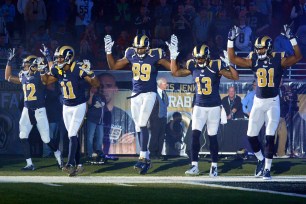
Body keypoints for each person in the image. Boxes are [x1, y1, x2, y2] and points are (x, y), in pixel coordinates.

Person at [227, 24, 302, 180]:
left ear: (268, 48)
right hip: (258, 102)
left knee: (269, 135)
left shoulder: (278, 59)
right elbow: (233, 58)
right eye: (257, 48)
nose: (259, 51)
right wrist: (230, 41)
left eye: (261, 49)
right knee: (251, 135)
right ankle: (261, 159)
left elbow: (298, 57)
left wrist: (293, 39)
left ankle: (267, 168)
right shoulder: (254, 59)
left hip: (273, 102)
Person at [167, 34, 239, 177]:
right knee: (194, 136)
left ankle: (214, 166)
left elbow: (235, 77)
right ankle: (194, 166)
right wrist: (173, 56)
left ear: (206, 56)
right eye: (197, 58)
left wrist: (230, 64)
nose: (199, 60)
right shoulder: (192, 65)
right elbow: (174, 72)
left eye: (201, 58)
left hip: (213, 107)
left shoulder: (215, 65)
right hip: (199, 106)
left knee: (212, 137)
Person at [104, 33, 171, 174]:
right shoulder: (130, 53)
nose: (139, 51)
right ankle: (146, 157)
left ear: (147, 47)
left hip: (149, 93)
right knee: (138, 126)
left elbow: (173, 68)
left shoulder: (155, 54)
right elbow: (114, 66)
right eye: (137, 48)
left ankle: (142, 157)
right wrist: (108, 51)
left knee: (142, 123)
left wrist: (174, 56)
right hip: (135, 94)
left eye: (141, 48)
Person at [41, 45, 100, 176]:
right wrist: (41, 71)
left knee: (72, 134)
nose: (58, 61)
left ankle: (70, 163)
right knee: (72, 136)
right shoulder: (57, 69)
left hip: (79, 105)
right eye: (57, 58)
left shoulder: (78, 68)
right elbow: (46, 81)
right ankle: (79, 165)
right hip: (66, 106)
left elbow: (96, 84)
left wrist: (91, 73)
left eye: (60, 58)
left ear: (68, 57)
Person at [4, 49, 63, 171]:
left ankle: (57, 153)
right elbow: (8, 77)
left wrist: (48, 58)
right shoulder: (23, 75)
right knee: (23, 135)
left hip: (39, 110)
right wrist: (9, 62)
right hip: (27, 110)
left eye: (26, 64)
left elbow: (55, 75)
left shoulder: (41, 76)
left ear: (32, 65)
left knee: (46, 139)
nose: (24, 66)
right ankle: (29, 163)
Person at [98, 73, 135, 157]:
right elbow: (85, 145)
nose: (104, 89)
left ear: (116, 89)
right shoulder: (92, 114)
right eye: (100, 86)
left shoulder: (125, 117)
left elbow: (131, 149)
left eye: (108, 86)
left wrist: (130, 141)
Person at [149, 77, 169, 159]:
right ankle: (152, 153)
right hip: (155, 117)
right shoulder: (154, 93)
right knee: (155, 135)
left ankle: (159, 153)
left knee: (161, 136)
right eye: (165, 84)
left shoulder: (164, 93)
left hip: (163, 117)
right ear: (160, 84)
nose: (167, 85)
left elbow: (166, 104)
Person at [86, 86, 105, 161]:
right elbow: (89, 103)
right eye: (92, 88)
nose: (94, 89)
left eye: (95, 88)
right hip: (92, 119)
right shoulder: (89, 96)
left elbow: (103, 104)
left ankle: (99, 152)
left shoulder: (101, 96)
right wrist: (91, 96)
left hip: (100, 120)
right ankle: (90, 153)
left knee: (100, 137)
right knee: (90, 137)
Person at [274, 80, 290, 158]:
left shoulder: (283, 89)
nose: (280, 82)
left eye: (281, 80)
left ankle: (281, 153)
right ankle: (271, 153)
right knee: (273, 136)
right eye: (279, 80)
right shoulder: (272, 89)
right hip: (274, 116)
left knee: (284, 134)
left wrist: (286, 98)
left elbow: (285, 102)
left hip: (282, 116)